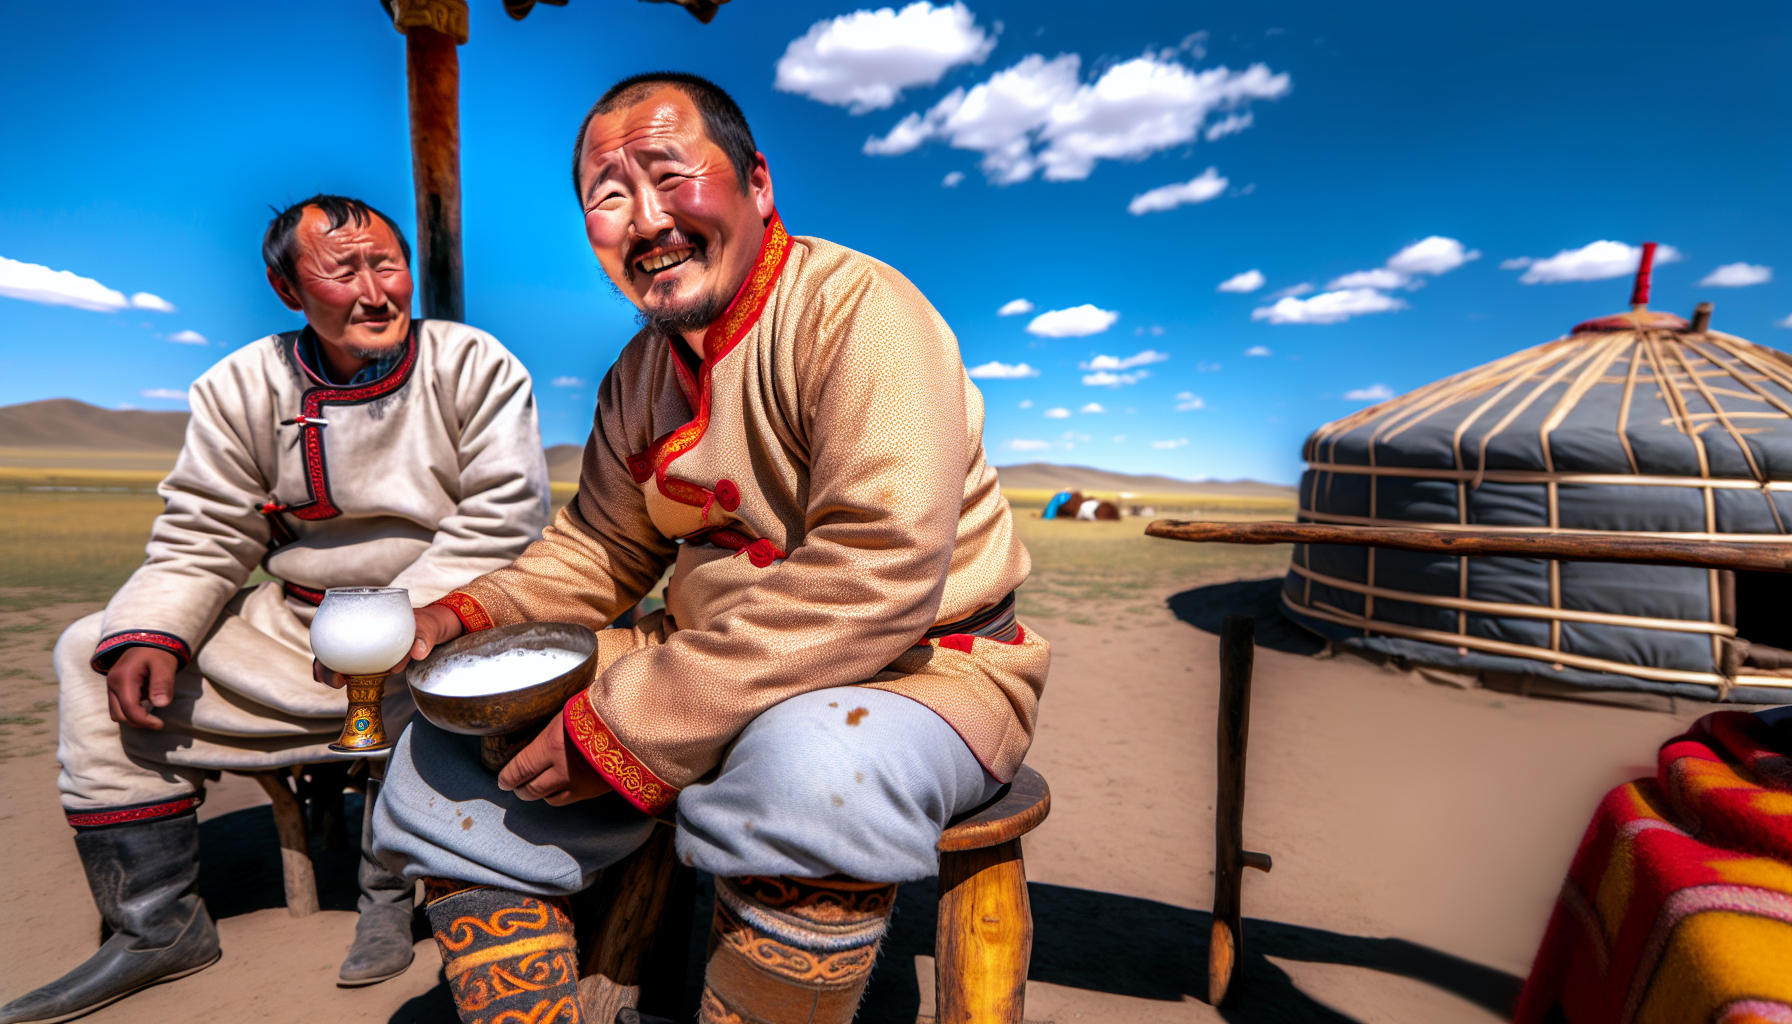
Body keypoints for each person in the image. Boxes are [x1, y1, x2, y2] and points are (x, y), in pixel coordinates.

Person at [353, 73, 1049, 1024]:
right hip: (707, 656)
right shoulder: (638, 375)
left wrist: (632, 723)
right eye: (608, 196)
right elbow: (598, 553)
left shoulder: (861, 313)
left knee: (813, 769)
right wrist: (462, 615)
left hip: (920, 670)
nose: (645, 220)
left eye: (671, 176)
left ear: (757, 183)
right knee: (450, 738)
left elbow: (880, 568)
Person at [0, 196, 551, 1024]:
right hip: (291, 627)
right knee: (95, 652)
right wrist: (155, 628)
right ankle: (156, 925)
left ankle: (387, 892)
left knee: (460, 699)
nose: (374, 291)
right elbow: (204, 530)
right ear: (288, 288)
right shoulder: (240, 385)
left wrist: (397, 622)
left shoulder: (473, 363)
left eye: (387, 265)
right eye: (343, 270)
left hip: (434, 620)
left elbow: (503, 516)